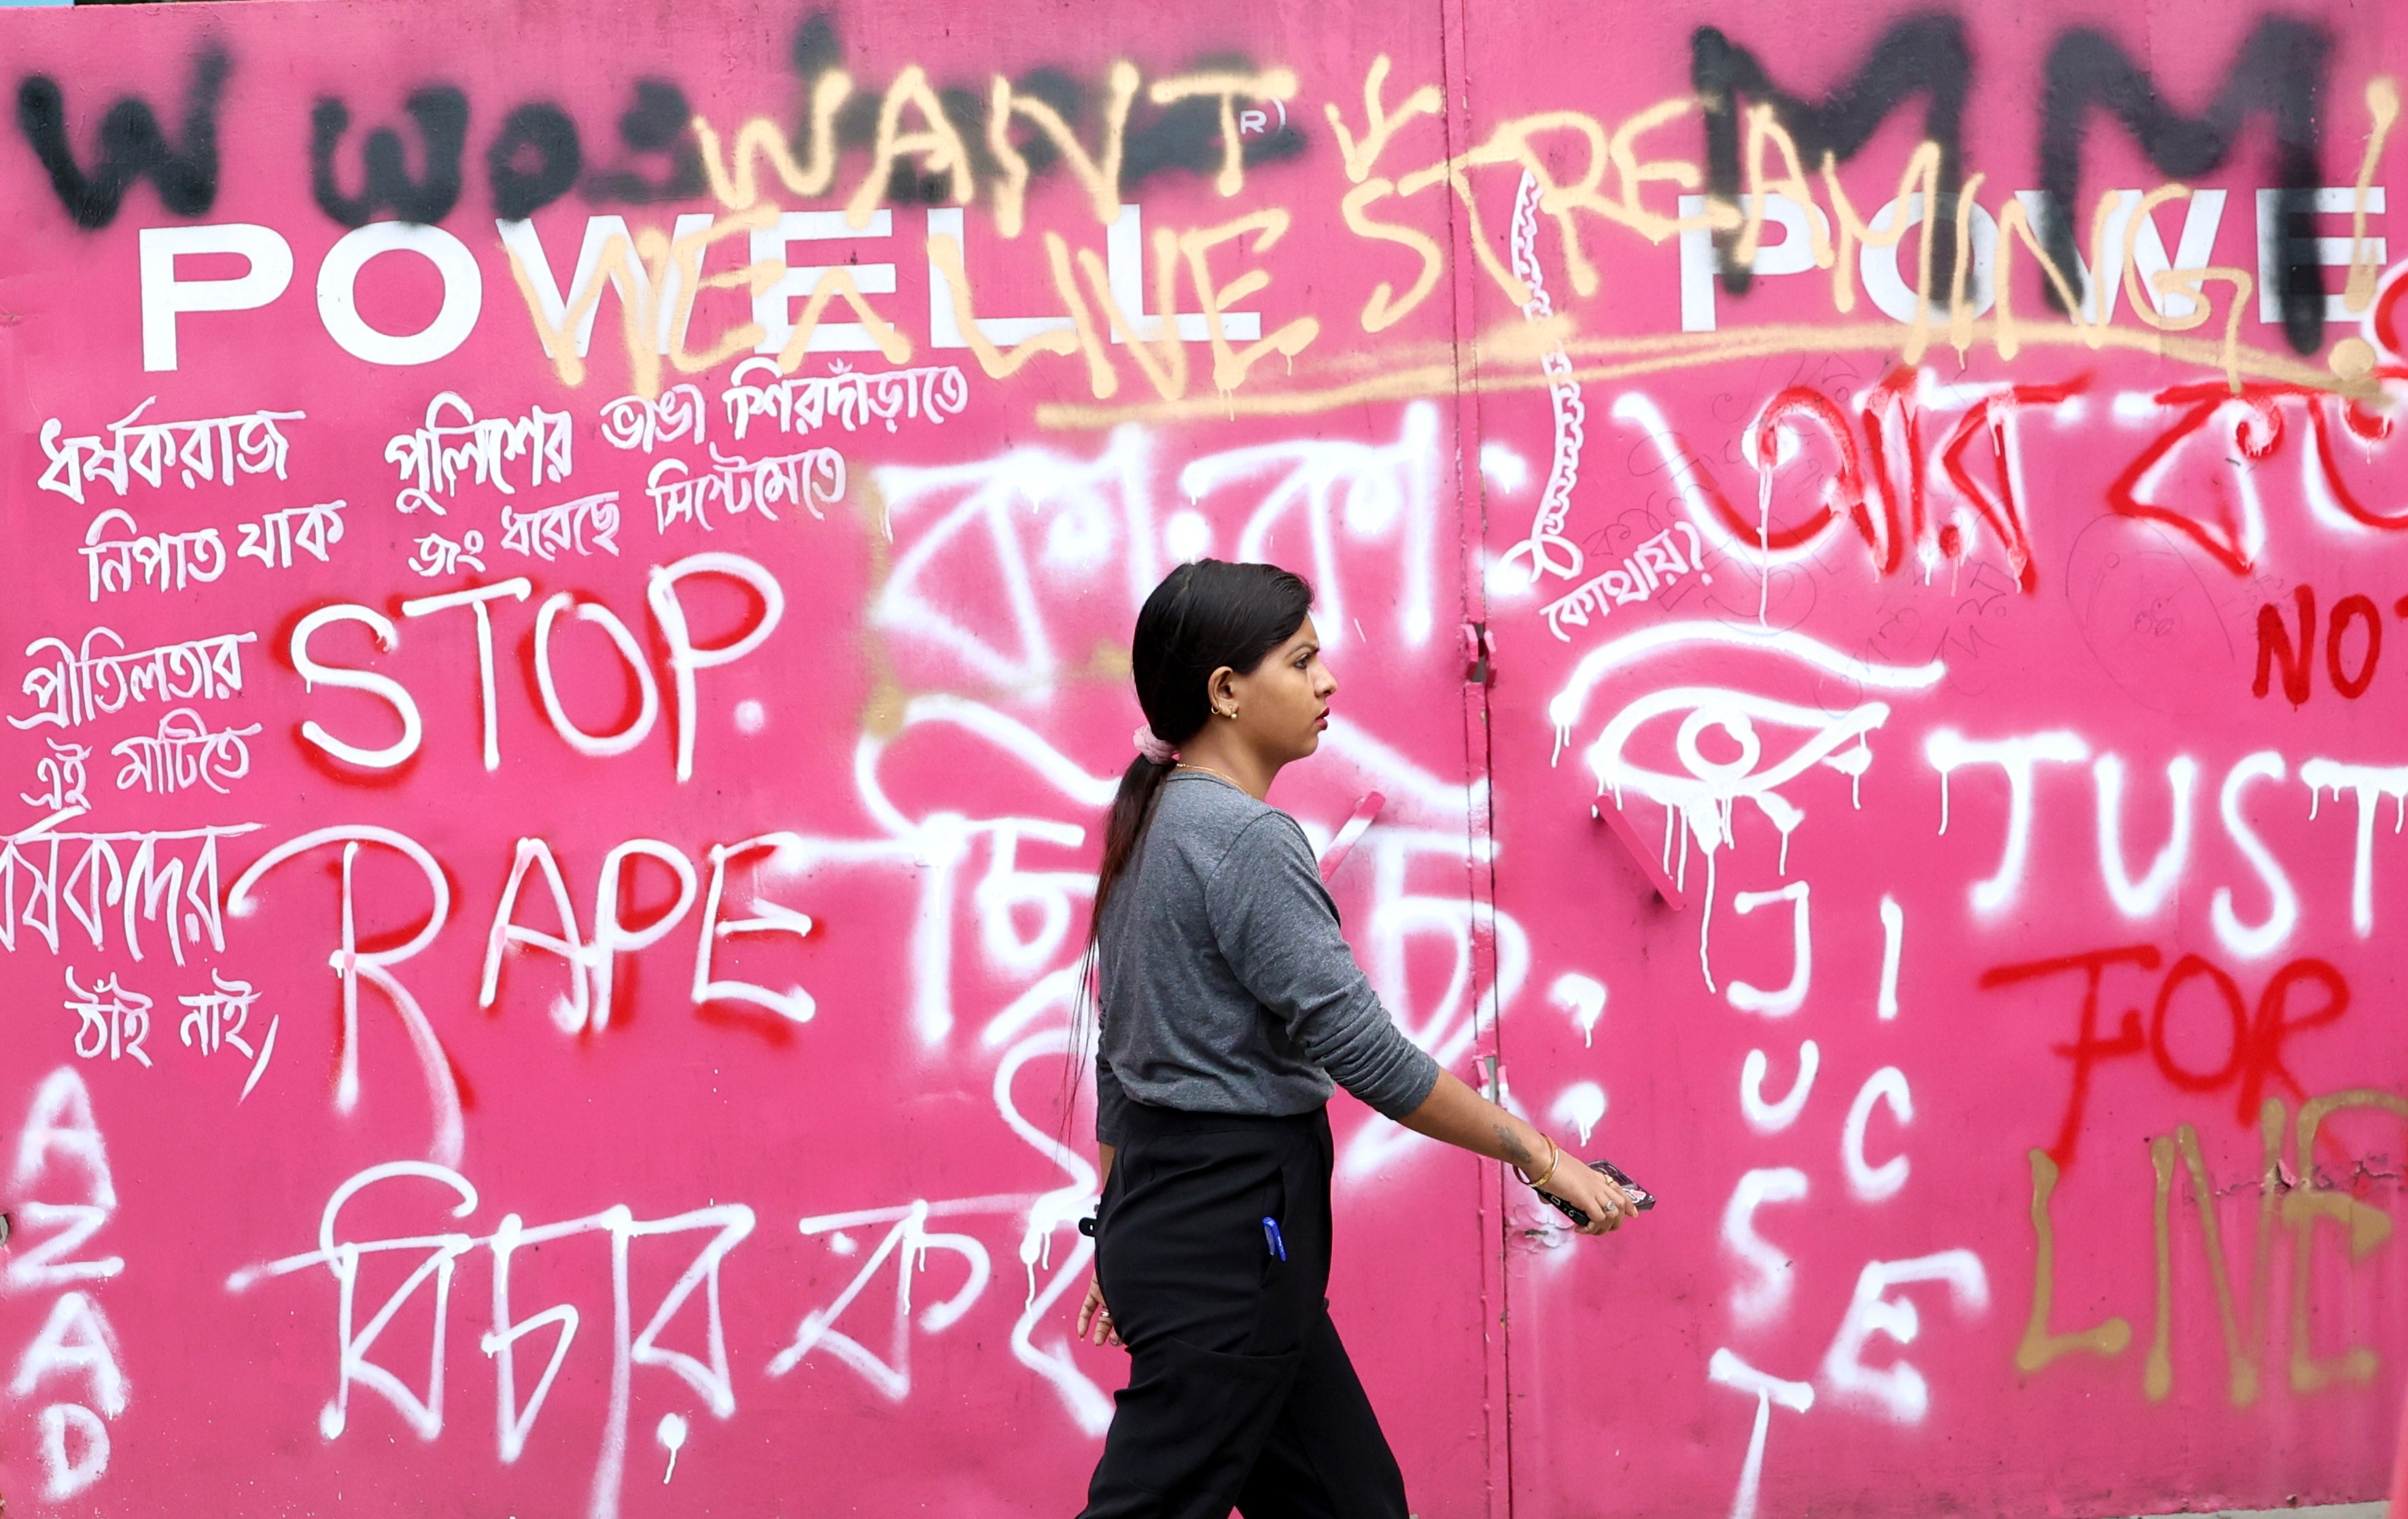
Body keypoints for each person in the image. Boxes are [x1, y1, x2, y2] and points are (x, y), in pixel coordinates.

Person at [1070, 559, 1637, 1519]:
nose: (1327, 681)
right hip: (1230, 1232)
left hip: (1195, 1229)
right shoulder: (1241, 838)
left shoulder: (1157, 823)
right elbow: (1364, 1053)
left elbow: (1122, 1067)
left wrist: (1120, 1236)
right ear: (1227, 693)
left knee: (1351, 1502)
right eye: (1300, 660)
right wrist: (1543, 1160)